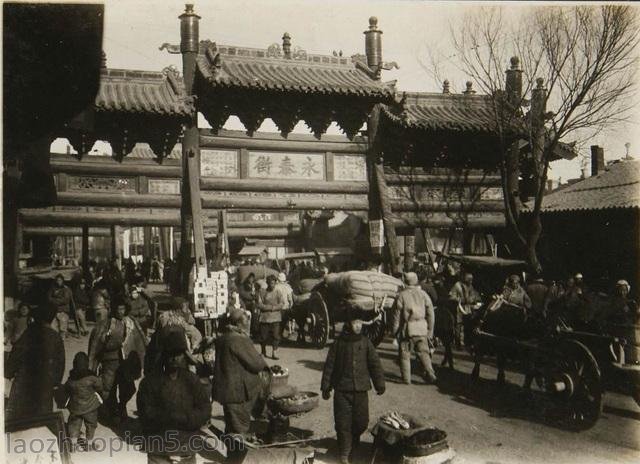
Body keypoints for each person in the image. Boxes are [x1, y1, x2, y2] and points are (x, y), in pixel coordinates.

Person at [137, 331, 211, 464]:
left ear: (184, 355)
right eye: (170, 354)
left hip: (186, 446)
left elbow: (205, 409)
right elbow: (145, 412)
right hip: (159, 448)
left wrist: (186, 418)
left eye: (178, 354)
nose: (174, 359)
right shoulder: (150, 382)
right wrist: (169, 417)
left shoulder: (192, 380)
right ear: (163, 356)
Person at [321, 311, 385, 464]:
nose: (358, 326)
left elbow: (374, 364)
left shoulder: (365, 342)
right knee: (343, 423)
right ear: (348, 324)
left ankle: (354, 441)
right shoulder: (338, 343)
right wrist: (326, 386)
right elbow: (329, 365)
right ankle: (344, 453)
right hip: (342, 390)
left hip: (361, 390)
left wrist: (379, 383)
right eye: (355, 323)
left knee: (361, 422)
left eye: (360, 323)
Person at [213, 308, 269, 440]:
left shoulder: (223, 338)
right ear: (238, 324)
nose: (248, 325)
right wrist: (260, 358)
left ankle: (231, 454)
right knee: (239, 429)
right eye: (245, 322)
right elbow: (257, 364)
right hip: (238, 393)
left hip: (227, 391)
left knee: (231, 426)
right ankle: (237, 457)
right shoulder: (239, 339)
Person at [5, 305, 65, 420]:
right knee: (42, 418)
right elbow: (60, 362)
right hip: (45, 384)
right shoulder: (56, 337)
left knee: (19, 418)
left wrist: (9, 372)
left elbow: (16, 354)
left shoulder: (29, 333)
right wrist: (56, 382)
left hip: (24, 382)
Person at [88, 301, 145, 423]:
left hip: (126, 363)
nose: (121, 312)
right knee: (108, 389)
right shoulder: (106, 324)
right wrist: (92, 365)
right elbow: (95, 344)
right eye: (118, 309)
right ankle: (113, 411)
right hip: (110, 362)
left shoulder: (131, 323)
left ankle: (122, 405)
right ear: (114, 309)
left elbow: (140, 342)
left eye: (123, 308)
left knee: (129, 389)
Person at [392, 272, 438, 384]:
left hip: (407, 329)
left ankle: (406, 379)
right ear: (416, 280)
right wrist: (430, 330)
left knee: (405, 355)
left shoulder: (401, 295)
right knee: (424, 353)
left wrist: (395, 332)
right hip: (422, 328)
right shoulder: (423, 294)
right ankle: (431, 373)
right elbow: (431, 313)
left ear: (405, 281)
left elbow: (396, 316)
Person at [63, 352, 103, 451]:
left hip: (75, 407)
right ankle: (89, 445)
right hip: (90, 407)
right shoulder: (92, 378)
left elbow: (66, 388)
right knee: (91, 425)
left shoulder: (71, 379)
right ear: (86, 364)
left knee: (74, 425)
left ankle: (73, 444)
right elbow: (100, 387)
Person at [257, 274, 286, 360]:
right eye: (270, 283)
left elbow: (282, 303)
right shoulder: (262, 292)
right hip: (265, 318)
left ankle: (274, 352)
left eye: (273, 283)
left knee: (276, 336)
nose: (271, 285)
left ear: (275, 283)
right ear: (267, 283)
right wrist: (268, 308)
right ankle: (263, 351)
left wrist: (274, 308)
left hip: (275, 318)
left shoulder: (278, 292)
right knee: (263, 336)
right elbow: (259, 304)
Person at [448, 271, 481, 347]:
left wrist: (476, 302)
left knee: (468, 325)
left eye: (471, 279)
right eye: (469, 279)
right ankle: (457, 343)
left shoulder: (471, 286)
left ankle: (467, 343)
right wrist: (458, 299)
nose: (470, 281)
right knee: (458, 325)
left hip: (469, 308)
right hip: (459, 307)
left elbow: (475, 296)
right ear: (464, 279)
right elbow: (451, 296)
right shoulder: (457, 285)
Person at [47, 273, 73, 339]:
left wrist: (55, 300)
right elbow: (49, 298)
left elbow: (65, 300)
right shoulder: (53, 289)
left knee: (62, 329)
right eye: (57, 280)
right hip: (55, 311)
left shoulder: (66, 289)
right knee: (53, 328)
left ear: (63, 281)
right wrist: (56, 300)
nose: (59, 282)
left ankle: (62, 341)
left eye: (60, 280)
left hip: (63, 311)